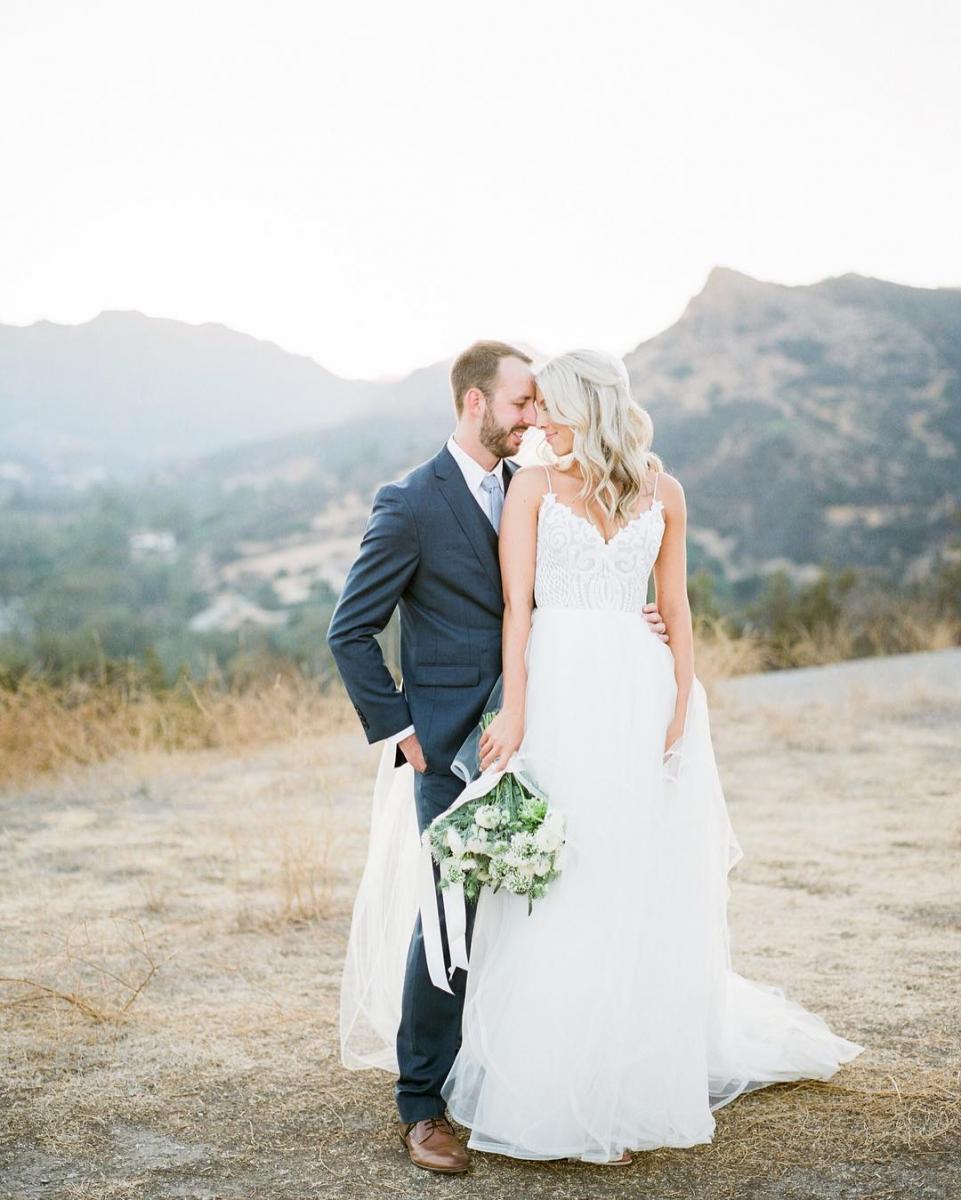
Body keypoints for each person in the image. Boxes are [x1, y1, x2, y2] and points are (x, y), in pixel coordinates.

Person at [434, 348, 865, 1164]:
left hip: (640, 690)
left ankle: (630, 1077)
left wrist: (678, 708)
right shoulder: (530, 486)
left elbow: (676, 607)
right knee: (564, 871)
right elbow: (515, 612)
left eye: (549, 406)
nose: (537, 421)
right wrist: (516, 710)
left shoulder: (663, 491)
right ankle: (555, 1077)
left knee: (635, 869)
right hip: (559, 690)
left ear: (582, 406)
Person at [326, 341, 669, 1173]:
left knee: (539, 905)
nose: (532, 419)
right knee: (451, 915)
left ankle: (517, 1075)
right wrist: (404, 736)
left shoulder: (533, 488)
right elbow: (350, 632)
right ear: (475, 404)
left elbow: (553, 594)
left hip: (547, 721)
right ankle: (421, 1106)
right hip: (448, 742)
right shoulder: (409, 502)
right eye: (520, 404)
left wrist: (630, 626)